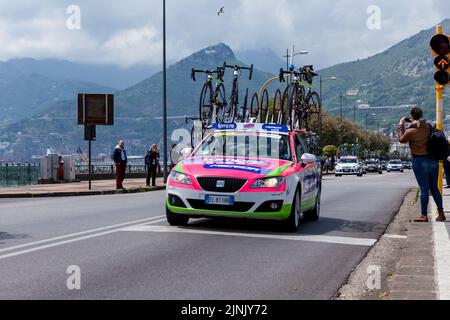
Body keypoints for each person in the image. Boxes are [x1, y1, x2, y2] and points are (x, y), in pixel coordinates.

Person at [397, 107, 446, 222]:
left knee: (424, 188)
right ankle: (441, 213)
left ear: (412, 116)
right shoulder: (428, 126)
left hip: (419, 161)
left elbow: (401, 139)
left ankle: (424, 215)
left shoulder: (410, 131)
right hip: (433, 160)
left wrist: (401, 124)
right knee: (434, 188)